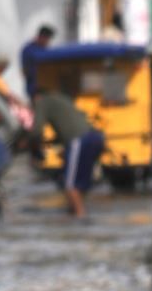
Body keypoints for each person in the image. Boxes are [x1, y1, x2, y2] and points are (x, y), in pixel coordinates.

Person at [33, 90, 103, 218]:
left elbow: (36, 131)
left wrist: (31, 144)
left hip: (80, 140)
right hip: (95, 137)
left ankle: (80, 218)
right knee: (80, 184)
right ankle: (75, 215)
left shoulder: (42, 102)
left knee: (70, 185)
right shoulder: (62, 98)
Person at [20, 24, 56, 99]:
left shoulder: (45, 50)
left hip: (47, 89)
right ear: (41, 37)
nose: (47, 42)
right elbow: (25, 71)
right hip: (35, 90)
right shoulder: (29, 50)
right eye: (46, 38)